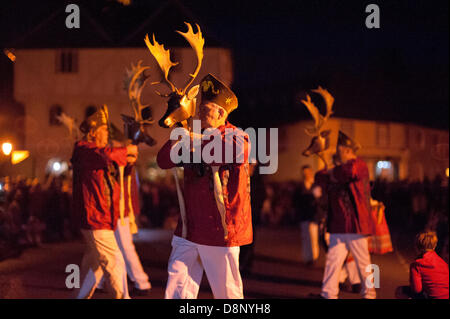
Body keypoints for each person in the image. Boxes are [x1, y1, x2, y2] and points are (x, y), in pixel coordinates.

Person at [157, 73, 252, 299]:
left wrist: (190, 141)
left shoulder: (237, 137)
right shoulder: (193, 136)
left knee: (227, 294)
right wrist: (179, 127)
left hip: (220, 230)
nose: (199, 111)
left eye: (205, 107)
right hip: (189, 229)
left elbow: (224, 151)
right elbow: (163, 160)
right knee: (177, 290)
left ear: (221, 112)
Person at [71, 105, 138, 299]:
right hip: (95, 217)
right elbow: (107, 155)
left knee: (94, 267)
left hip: (101, 217)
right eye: (104, 130)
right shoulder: (85, 150)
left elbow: (117, 172)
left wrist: (129, 158)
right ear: (92, 133)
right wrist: (127, 151)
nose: (108, 134)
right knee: (116, 262)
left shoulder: (93, 153)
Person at [314, 131, 376, 299]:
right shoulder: (338, 169)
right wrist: (329, 168)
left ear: (348, 150)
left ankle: (370, 294)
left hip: (356, 225)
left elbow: (349, 172)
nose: (337, 152)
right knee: (333, 263)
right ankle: (328, 294)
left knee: (364, 263)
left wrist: (331, 170)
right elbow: (319, 178)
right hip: (338, 225)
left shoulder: (359, 165)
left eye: (340, 149)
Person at [397, 231, 449, 299]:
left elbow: (416, 290)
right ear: (434, 246)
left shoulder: (417, 265)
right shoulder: (443, 263)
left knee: (400, 291)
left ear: (417, 246)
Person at [294, 165, 322, 266]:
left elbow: (320, 200)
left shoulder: (315, 185)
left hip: (313, 215)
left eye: (308, 172)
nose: (306, 174)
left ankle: (314, 257)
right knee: (306, 237)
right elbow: (296, 201)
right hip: (304, 215)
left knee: (313, 237)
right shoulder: (300, 186)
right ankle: (307, 258)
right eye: (304, 172)